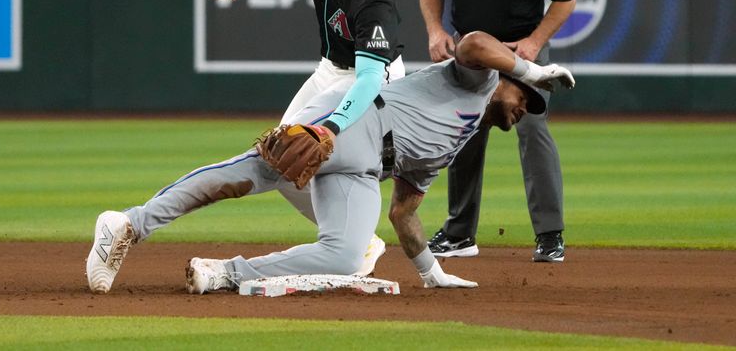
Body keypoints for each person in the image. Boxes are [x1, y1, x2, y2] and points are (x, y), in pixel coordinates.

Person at [85, 31, 575, 294]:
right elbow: (471, 43)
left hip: (365, 173)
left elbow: (403, 211)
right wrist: (528, 67)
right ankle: (127, 224)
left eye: (533, 106)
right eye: (527, 97)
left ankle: (224, 274)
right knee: (250, 174)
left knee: (347, 256)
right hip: (355, 121)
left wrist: (430, 271)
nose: (525, 107)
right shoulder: (479, 81)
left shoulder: (457, 141)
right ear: (510, 77)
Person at [209, 0, 405, 277]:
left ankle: (350, 242)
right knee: (278, 156)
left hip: (373, 75)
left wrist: (331, 126)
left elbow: (368, 79)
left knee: (304, 154)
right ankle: (359, 241)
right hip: (330, 69)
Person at [420, 0, 576, 263]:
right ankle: (459, 233)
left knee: (533, 132)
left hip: (520, 55)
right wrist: (435, 29)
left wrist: (535, 42)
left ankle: (549, 234)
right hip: (471, 55)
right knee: (465, 132)